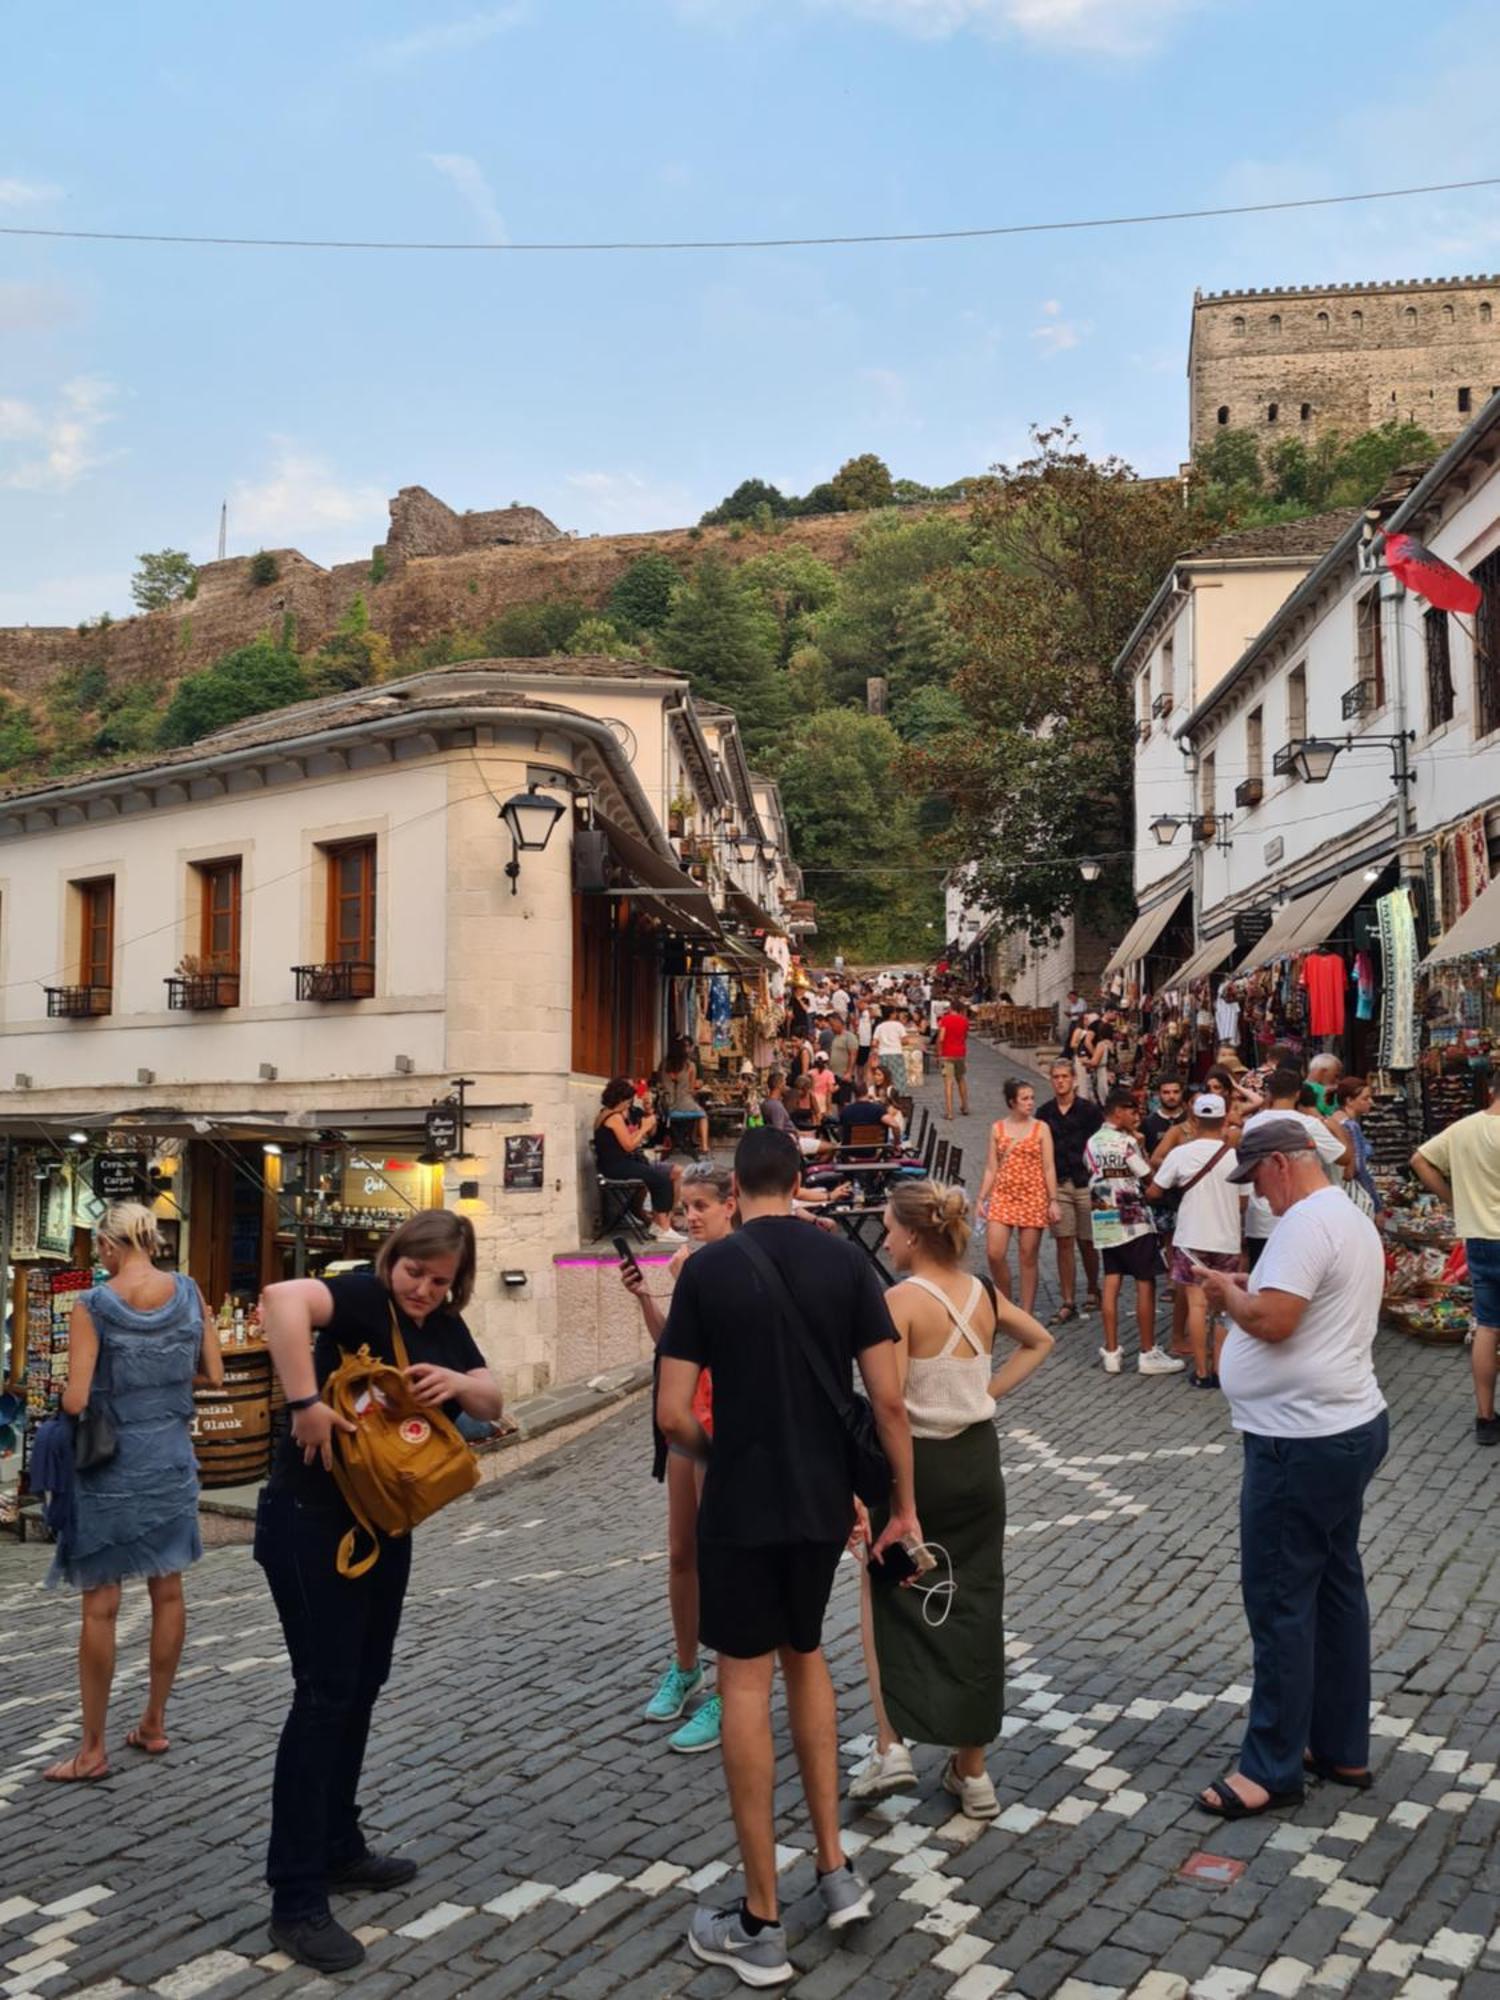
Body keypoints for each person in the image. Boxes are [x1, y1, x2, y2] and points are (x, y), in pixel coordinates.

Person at [657, 1128, 920, 1987]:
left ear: (734, 1188)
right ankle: (837, 1869)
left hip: (742, 1498)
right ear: (801, 1180)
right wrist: (900, 1509)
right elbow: (887, 1400)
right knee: (807, 1657)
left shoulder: (709, 1270)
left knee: (743, 1679)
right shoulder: (845, 1262)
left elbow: (672, 1416)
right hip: (822, 1504)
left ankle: (761, 1918)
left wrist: (716, 1456)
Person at [257, 1213, 502, 1972]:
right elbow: (279, 1300)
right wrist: (307, 1404)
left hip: (383, 1527)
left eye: (439, 1280)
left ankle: (338, 1844)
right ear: (392, 1260)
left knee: (362, 1686)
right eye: (414, 1272)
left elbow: (491, 1399)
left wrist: (458, 1382)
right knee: (325, 1693)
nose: (424, 1290)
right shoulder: (364, 1299)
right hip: (308, 1519)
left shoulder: (444, 1326)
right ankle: (295, 1899)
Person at [1192, 1118, 1387, 1818]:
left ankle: (1271, 1766)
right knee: (1335, 1588)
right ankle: (1341, 1744)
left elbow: (1273, 1322)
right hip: (1343, 1425)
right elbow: (1306, 1303)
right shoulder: (1346, 1214)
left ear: (1281, 1165)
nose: (1258, 1199)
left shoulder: (1305, 1223)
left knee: (1280, 1600)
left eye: (1256, 1182)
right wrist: (1254, 1282)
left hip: (1297, 1442)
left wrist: (1224, 1295)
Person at [849, 1181, 1052, 1814]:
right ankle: (974, 1770)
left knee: (886, 1594)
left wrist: (899, 1498)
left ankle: (891, 1746)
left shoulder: (901, 1302)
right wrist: (985, 1393)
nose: (884, 1237)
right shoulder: (982, 1294)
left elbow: (889, 1405)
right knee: (974, 1603)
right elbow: (1041, 1339)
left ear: (911, 1235)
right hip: (977, 1463)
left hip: (920, 1466)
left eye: (888, 1226)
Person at [42, 1203, 223, 1784]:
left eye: (100, 1249)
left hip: (111, 1467)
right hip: (170, 1459)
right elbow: (213, 1374)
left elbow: (76, 1400)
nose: (99, 1258)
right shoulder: (190, 1291)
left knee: (101, 1605)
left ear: (113, 1244)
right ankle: (153, 1722)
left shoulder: (93, 1305)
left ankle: (92, 1750)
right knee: (167, 1593)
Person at [623, 1162, 736, 1755]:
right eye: (685, 1206)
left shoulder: (739, 1264)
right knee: (681, 1551)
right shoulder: (685, 1265)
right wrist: (645, 1299)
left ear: (730, 1206)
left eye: (701, 1206)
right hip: (684, 1421)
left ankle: (727, 1685)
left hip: (726, 1423)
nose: (690, 1216)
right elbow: (673, 1346)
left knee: (722, 1557)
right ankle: (687, 1665)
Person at [1412, 1074, 1500, 1446]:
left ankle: (1485, 1417)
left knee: (1488, 1326)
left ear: (1492, 1090)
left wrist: (1454, 1200)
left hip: (1480, 1237)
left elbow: (1419, 1160)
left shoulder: (1463, 1129)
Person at [1147, 1094, 1240, 1387]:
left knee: (1197, 1306)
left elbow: (1156, 1190)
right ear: (1225, 1120)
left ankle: (1201, 1371)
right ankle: (1223, 1369)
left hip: (1191, 1238)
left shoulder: (1181, 1154)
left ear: (1195, 1120)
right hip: (1226, 1238)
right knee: (1224, 1308)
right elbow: (1245, 1202)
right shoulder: (1235, 1156)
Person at [1084, 1089, 1170, 1375]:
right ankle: (1147, 1351)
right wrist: (1141, 1146)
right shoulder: (1127, 1143)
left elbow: (1092, 1171)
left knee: (1111, 1281)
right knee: (1145, 1282)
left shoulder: (1092, 1142)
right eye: (1132, 1110)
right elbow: (1147, 1178)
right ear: (1118, 1111)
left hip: (1105, 1219)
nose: (1136, 1116)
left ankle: (1111, 1351)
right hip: (1133, 1220)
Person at [1242, 1070, 1350, 1270]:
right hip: (1300, 1219)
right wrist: (1339, 1130)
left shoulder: (1251, 1124)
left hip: (1260, 1220)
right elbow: (1343, 1157)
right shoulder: (1308, 1124)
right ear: (1298, 1093)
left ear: (1269, 1092)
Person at [977, 1077, 1060, 1317]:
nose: (1030, 1103)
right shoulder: (997, 1128)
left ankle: (1025, 1311)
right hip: (1003, 1194)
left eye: (1032, 1098)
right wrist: (982, 1197)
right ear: (1012, 1102)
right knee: (994, 1252)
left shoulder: (1041, 1128)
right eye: (1024, 1099)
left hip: (1033, 1196)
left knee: (1028, 1255)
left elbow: (1048, 1166)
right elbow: (991, 1167)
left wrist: (1053, 1200)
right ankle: (1005, 1300)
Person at [1036, 1058, 1103, 1326]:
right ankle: (1067, 1299)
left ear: (1074, 1079)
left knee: (1087, 1241)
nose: (1060, 1081)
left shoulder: (1089, 1111)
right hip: (1059, 1185)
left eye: (1065, 1076)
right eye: (1056, 1077)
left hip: (1085, 1184)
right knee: (1064, 1241)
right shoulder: (1044, 1114)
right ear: (1051, 1080)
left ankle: (1092, 1288)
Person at [594, 1078, 685, 1243]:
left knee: (658, 1177)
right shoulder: (613, 1117)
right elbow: (629, 1145)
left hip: (617, 1164)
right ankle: (663, 1228)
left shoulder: (605, 1114)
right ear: (620, 1099)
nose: (629, 1104)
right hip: (616, 1166)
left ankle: (660, 1225)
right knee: (661, 1180)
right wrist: (643, 1128)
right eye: (628, 1101)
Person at [1331, 1077, 1381, 1217]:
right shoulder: (1351, 1127)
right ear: (1349, 1101)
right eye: (1365, 1098)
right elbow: (1360, 1170)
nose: (1371, 1102)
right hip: (1352, 1193)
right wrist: (1377, 1206)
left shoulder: (1333, 1119)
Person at [660, 1038, 709, 1158]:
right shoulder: (690, 1066)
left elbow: (660, 1082)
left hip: (666, 1105)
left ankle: (678, 1140)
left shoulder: (663, 1065)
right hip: (684, 1103)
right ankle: (704, 1146)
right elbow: (691, 1089)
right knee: (703, 1115)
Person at [935, 998, 972, 1120]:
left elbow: (941, 1038)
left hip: (947, 1054)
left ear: (951, 1008)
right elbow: (965, 1036)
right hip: (960, 1053)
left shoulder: (945, 1020)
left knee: (948, 1083)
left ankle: (950, 1112)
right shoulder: (964, 1021)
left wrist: (939, 1053)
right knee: (961, 1078)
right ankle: (965, 1106)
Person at [873, 1008, 907, 1093]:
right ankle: (898, 1096)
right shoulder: (899, 1025)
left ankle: (884, 1094)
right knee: (898, 1077)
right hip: (896, 1053)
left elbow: (874, 1043)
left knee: (884, 1077)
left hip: (883, 1054)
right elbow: (905, 1041)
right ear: (892, 1014)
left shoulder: (879, 1026)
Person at [828, 1017, 861, 1102]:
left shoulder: (849, 1037)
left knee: (844, 1101)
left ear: (840, 1024)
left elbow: (853, 1054)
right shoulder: (835, 1037)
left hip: (843, 1075)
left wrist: (849, 1072)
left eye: (833, 1025)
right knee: (836, 1101)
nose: (832, 1028)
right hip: (834, 1074)